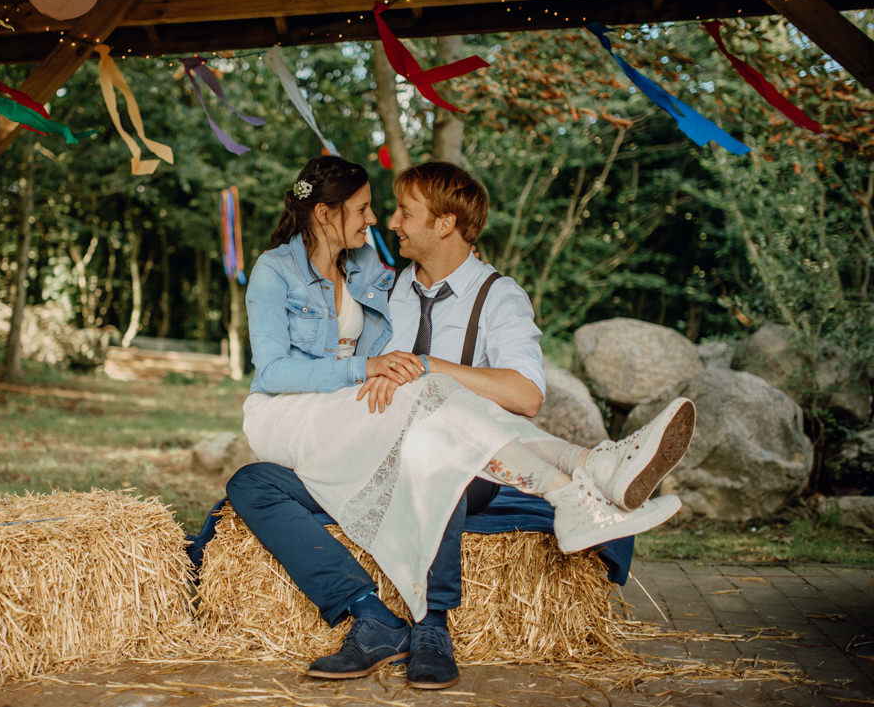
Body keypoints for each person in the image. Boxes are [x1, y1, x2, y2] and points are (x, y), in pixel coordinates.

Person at [227, 157, 693, 690]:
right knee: (252, 484)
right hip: (352, 434)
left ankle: (432, 627)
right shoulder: (380, 283)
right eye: (372, 210)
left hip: (456, 459)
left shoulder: (491, 295)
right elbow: (302, 365)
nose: (386, 222)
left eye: (403, 212)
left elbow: (526, 395)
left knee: (432, 438)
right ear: (328, 213)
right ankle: (375, 613)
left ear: (445, 223)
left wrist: (427, 366)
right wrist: (381, 371)